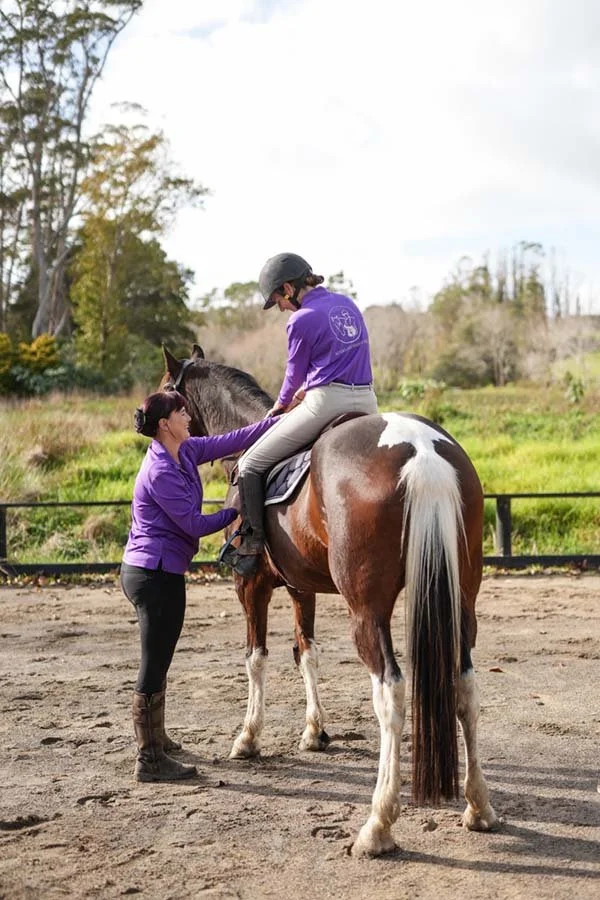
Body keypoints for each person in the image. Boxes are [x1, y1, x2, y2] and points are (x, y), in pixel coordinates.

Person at [120, 389, 277, 782]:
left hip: (162, 570)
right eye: (181, 411)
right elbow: (192, 524)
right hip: (152, 574)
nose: (188, 416)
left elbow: (233, 440)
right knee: (153, 662)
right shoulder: (159, 470)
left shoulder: (185, 451)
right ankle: (149, 760)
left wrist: (280, 420)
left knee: (161, 658)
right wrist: (234, 512)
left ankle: (157, 739)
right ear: (164, 424)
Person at [220, 252, 377, 579]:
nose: (279, 306)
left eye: (277, 298)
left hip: (326, 403)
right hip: (368, 403)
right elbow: (341, 357)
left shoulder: (300, 319)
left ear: (289, 288)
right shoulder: (347, 304)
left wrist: (279, 406)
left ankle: (251, 546)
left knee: (250, 463)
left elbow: (294, 375)